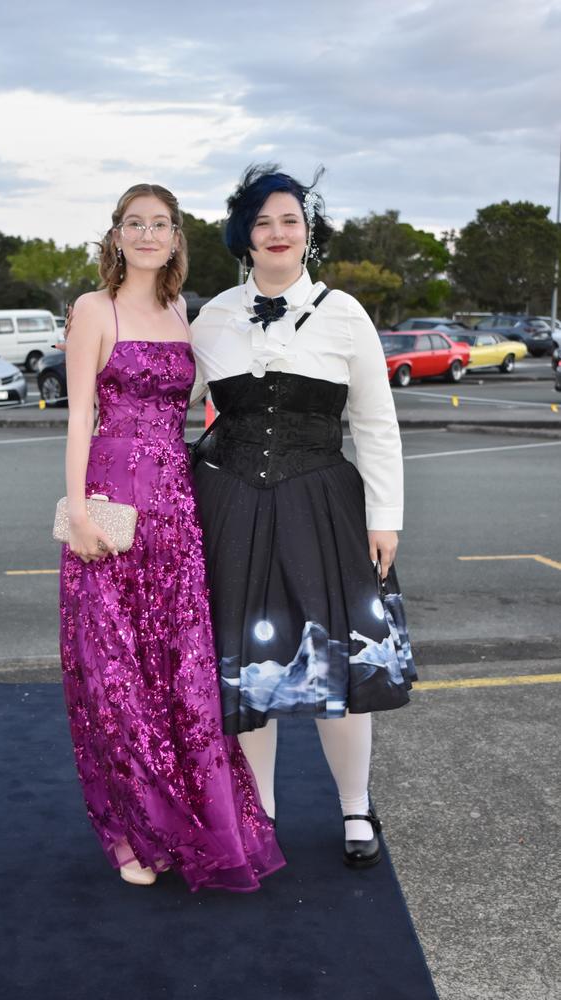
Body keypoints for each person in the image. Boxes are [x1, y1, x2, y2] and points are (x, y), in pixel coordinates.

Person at [58, 182, 284, 891]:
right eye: (135, 223)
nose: (148, 234)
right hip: (110, 504)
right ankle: (129, 833)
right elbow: (77, 417)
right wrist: (80, 511)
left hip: (176, 512)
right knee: (111, 676)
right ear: (116, 235)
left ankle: (184, 823)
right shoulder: (93, 309)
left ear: (177, 237)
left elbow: (204, 403)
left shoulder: (180, 310)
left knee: (175, 676)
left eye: (161, 224)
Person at [190, 165, 416, 868]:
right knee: (248, 666)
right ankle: (262, 814)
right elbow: (171, 409)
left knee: (337, 666)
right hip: (230, 504)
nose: (278, 233)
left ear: (307, 233)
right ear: (244, 237)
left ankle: (355, 807)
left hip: (324, 506)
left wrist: (387, 518)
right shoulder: (212, 318)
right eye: (263, 222)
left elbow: (376, 425)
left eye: (290, 220)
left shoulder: (347, 313)